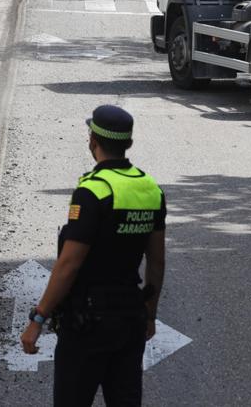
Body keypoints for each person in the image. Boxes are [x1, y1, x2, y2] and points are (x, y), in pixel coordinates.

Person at [20, 105, 166, 407]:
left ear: (92, 141)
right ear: (128, 144)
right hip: (130, 318)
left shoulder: (92, 192)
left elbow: (69, 264)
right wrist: (150, 314)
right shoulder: (152, 190)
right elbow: (156, 261)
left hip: (87, 323)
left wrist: (39, 317)